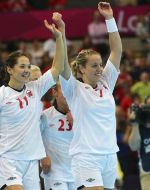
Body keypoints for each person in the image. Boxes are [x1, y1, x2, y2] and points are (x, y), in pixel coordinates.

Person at [0, 12, 65, 190]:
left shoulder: (36, 88)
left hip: (31, 161)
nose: (27, 70)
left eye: (28, 66)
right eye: (22, 67)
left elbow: (57, 67)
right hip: (8, 160)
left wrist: (59, 36)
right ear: (10, 70)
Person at [58, 2, 122, 190]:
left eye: (100, 64)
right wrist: (61, 33)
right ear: (82, 69)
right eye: (94, 66)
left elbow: (117, 51)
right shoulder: (73, 89)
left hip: (110, 156)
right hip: (86, 157)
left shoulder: (106, 83)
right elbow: (62, 64)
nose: (100, 69)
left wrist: (109, 18)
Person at [40, 82, 74, 190]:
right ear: (54, 92)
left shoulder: (80, 114)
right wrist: (42, 156)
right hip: (55, 174)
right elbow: (32, 138)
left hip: (78, 173)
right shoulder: (45, 116)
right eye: (64, 90)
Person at [128, 95, 150, 190]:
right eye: (148, 106)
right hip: (147, 173)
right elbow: (133, 146)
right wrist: (135, 123)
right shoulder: (139, 126)